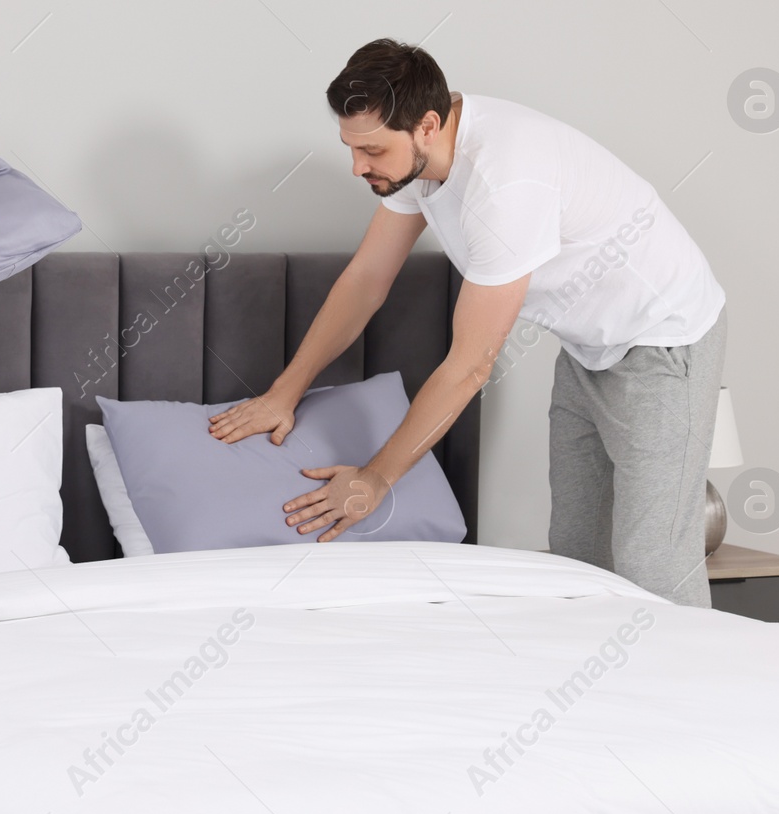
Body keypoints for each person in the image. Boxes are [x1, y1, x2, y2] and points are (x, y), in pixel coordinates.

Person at [208, 38, 726, 608]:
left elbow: (471, 365)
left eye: (373, 151)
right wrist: (285, 392)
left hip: (663, 340)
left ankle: (696, 693)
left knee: (654, 565)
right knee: (579, 557)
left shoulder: (505, 185)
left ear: (426, 125)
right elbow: (365, 282)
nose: (358, 167)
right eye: (351, 148)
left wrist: (375, 480)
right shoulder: (420, 163)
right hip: (589, 349)